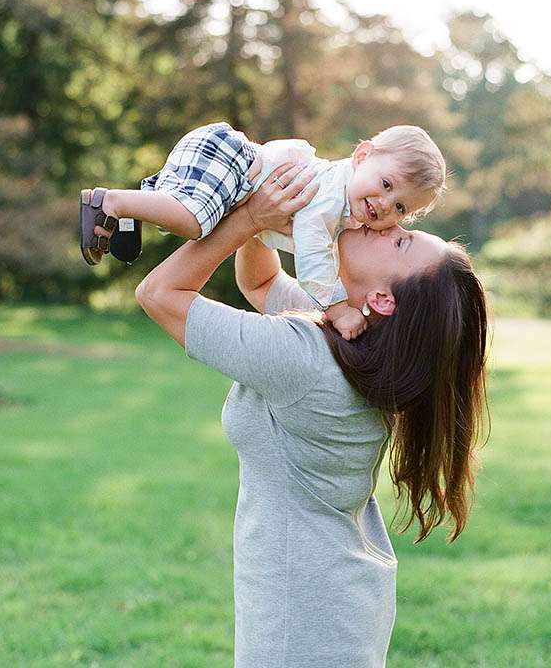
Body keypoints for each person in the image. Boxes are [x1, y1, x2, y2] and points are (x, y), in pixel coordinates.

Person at [93, 162, 488, 667]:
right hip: (333, 602)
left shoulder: (308, 358)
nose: (386, 224)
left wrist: (246, 219)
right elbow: (260, 283)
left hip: (301, 622)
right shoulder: (355, 339)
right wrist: (277, 208)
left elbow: (158, 294)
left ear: (383, 299)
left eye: (401, 242)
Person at [79, 122, 446, 339]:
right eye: (385, 184)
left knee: (190, 218)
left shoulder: (341, 207)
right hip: (230, 158)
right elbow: (313, 255)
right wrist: (337, 310)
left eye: (400, 208)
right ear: (362, 157)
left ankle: (130, 214)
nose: (385, 205)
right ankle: (110, 203)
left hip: (231, 166)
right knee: (193, 222)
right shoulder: (330, 200)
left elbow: (263, 272)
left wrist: (254, 222)